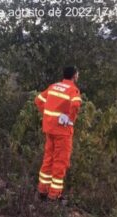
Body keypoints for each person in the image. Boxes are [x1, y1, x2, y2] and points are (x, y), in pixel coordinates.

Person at [34, 66, 82, 202]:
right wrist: (70, 119)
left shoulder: (53, 86)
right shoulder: (73, 90)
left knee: (48, 158)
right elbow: (76, 105)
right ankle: (54, 195)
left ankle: (42, 191)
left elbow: (38, 100)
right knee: (60, 162)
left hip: (50, 129)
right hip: (62, 132)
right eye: (77, 74)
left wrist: (49, 115)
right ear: (74, 76)